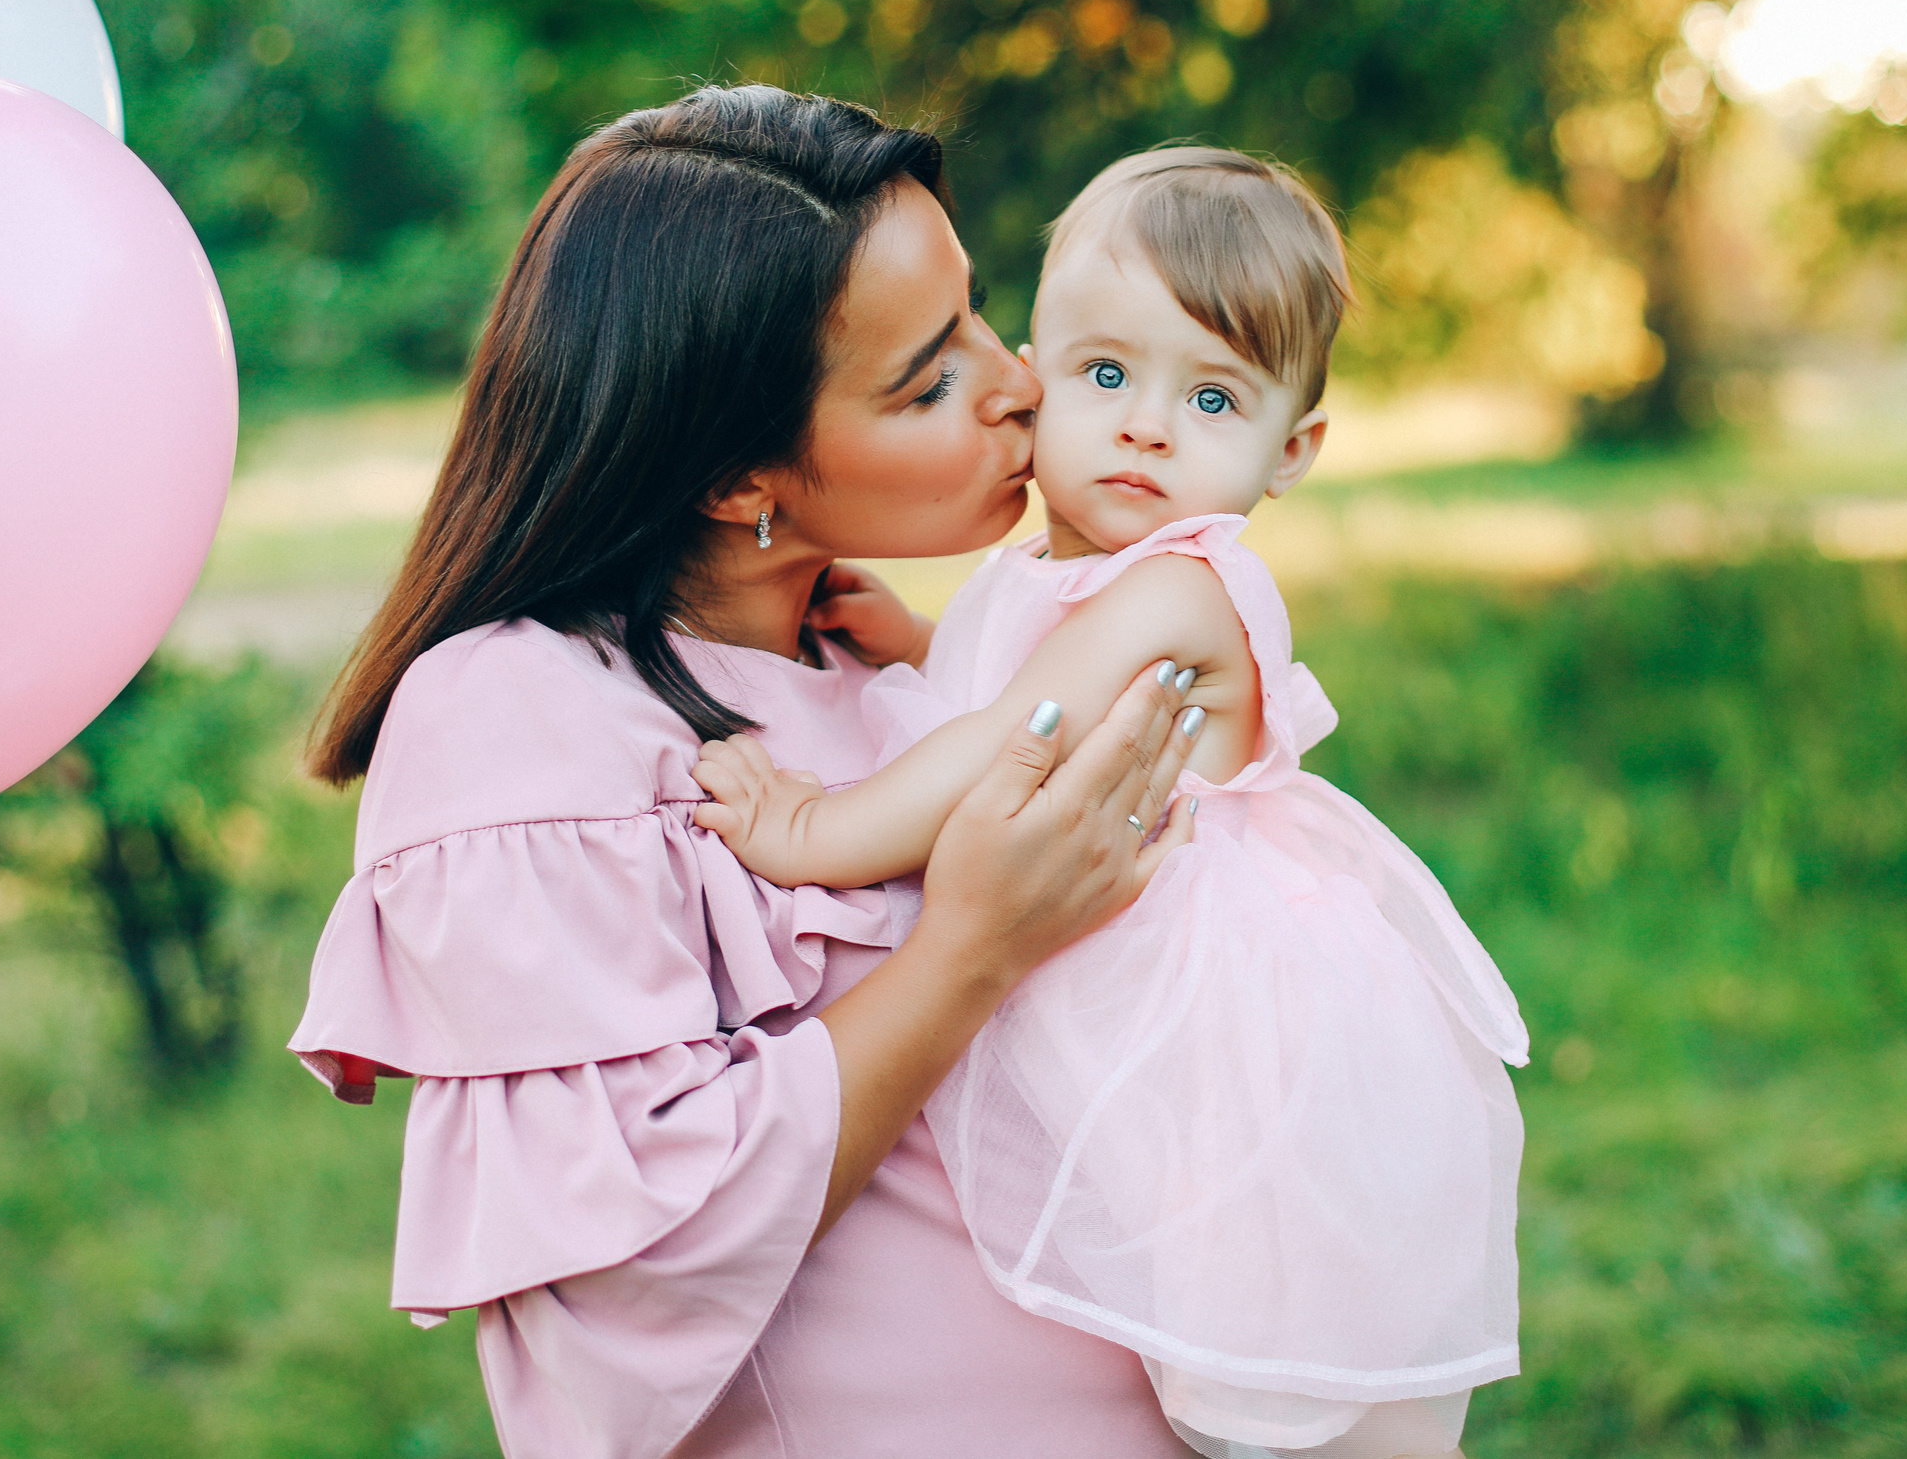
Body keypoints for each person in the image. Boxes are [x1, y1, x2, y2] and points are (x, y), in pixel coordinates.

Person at [288, 85, 1216, 1459]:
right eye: (930, 377)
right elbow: (632, 1263)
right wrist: (969, 949)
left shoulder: (899, 667)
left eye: (974, 311)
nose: (1017, 380)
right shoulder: (521, 715)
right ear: (737, 477)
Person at [690, 148, 1531, 1459]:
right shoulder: (1062, 570)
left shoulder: (1179, 588)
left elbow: (1006, 739)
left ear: (1292, 446)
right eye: (1105, 376)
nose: (1146, 424)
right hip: (1122, 967)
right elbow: (1021, 680)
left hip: (1219, 1017)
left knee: (1269, 1352)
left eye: (1212, 396)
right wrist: (920, 640)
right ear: (1035, 377)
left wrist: (807, 831)